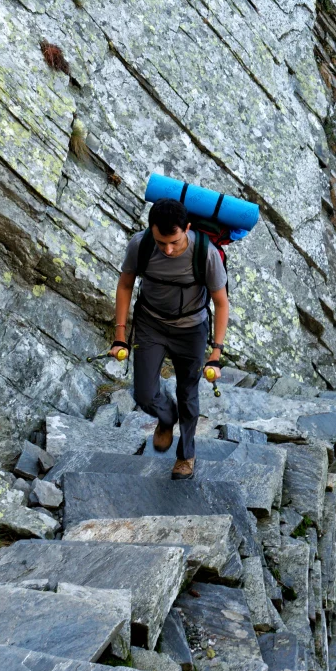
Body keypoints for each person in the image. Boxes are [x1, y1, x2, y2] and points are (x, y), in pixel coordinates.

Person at [112, 197, 228, 479]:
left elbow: (221, 303)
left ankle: (186, 455)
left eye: (174, 241)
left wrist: (216, 352)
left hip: (191, 331)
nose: (168, 248)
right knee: (143, 393)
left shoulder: (206, 253)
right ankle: (166, 417)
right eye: (161, 241)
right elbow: (126, 284)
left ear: (186, 228)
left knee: (188, 394)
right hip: (151, 324)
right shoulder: (140, 245)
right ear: (151, 229)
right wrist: (120, 335)